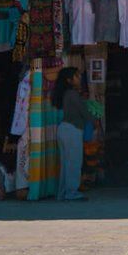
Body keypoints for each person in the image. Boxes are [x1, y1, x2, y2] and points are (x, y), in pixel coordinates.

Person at [51, 66, 89, 201]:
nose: (79, 78)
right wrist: (93, 119)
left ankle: (63, 193)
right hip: (72, 129)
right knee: (74, 162)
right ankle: (72, 192)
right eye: (76, 76)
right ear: (69, 80)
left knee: (65, 163)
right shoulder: (72, 94)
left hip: (64, 129)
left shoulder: (65, 94)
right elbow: (84, 111)